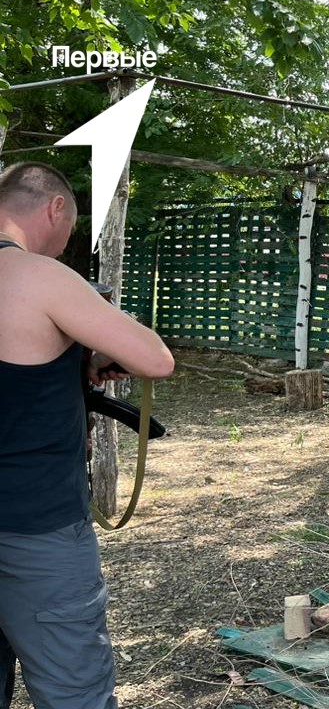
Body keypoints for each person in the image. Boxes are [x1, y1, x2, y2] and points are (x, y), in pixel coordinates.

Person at [0, 162, 175, 709]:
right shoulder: (39, 276)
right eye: (70, 227)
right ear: (54, 208)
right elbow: (155, 360)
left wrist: (72, 363)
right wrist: (93, 343)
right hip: (36, 523)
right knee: (74, 689)